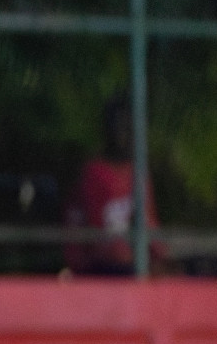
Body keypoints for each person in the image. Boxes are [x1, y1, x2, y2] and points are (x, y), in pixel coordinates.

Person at [64, 97, 164, 275]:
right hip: (97, 267)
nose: (121, 133)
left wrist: (162, 257)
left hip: (129, 265)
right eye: (116, 125)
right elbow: (88, 230)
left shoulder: (137, 172)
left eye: (126, 126)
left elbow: (149, 223)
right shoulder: (93, 172)